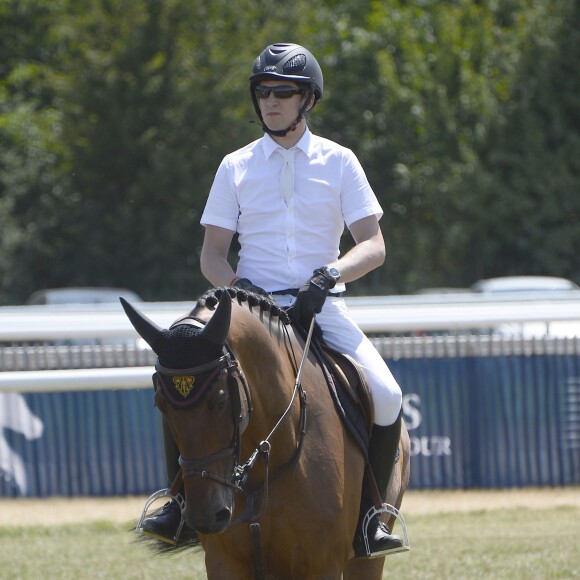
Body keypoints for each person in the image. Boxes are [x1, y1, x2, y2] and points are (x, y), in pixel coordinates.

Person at [141, 42, 404, 558]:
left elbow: (374, 244)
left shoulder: (340, 161)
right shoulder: (234, 166)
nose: (271, 102)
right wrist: (244, 290)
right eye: (264, 93)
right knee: (183, 377)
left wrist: (329, 275)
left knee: (388, 394)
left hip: (321, 305)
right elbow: (212, 255)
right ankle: (178, 507)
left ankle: (371, 517)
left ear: (308, 100)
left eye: (284, 92)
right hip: (247, 310)